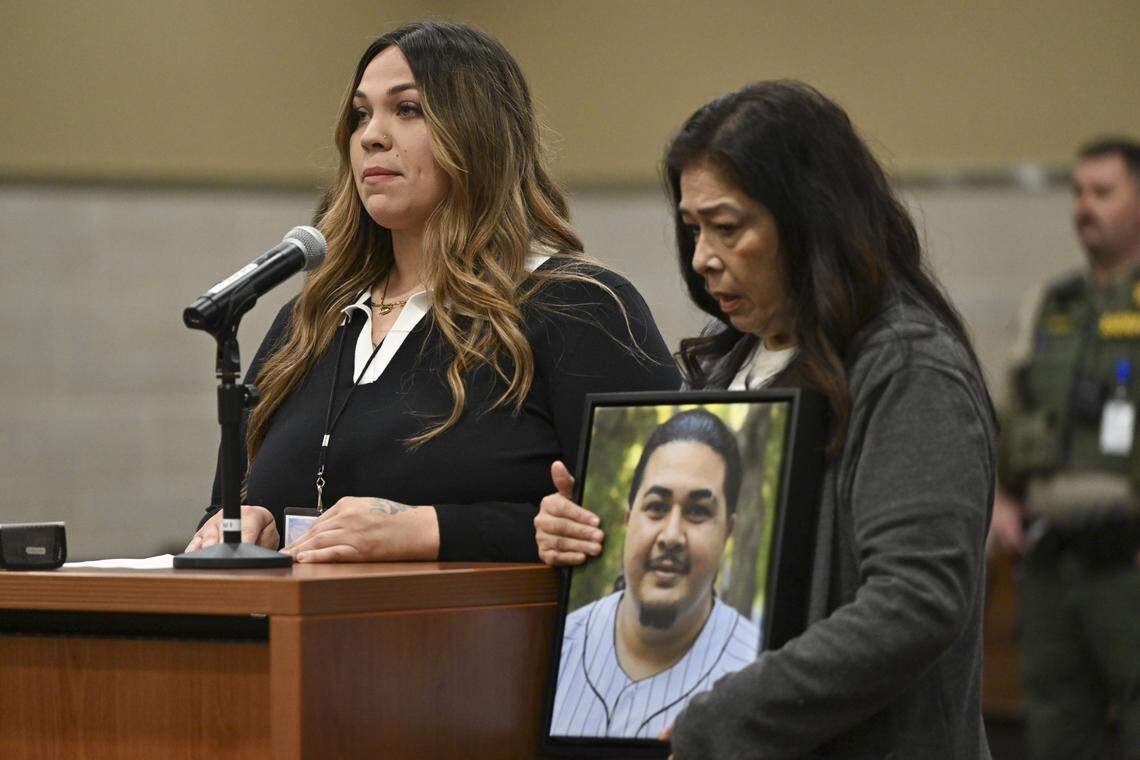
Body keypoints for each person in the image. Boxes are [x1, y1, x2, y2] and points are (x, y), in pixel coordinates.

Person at [535, 80, 998, 758]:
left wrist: (729, 711)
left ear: (813, 220)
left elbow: (916, 601)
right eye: (693, 229)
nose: (701, 259)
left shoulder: (908, 368)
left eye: (728, 228)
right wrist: (583, 541)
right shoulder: (725, 366)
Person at [183, 21, 680, 563]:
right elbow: (224, 508)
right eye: (360, 114)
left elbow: (652, 516)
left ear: (477, 134)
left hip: (481, 642)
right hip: (295, 639)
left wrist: (433, 530)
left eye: (408, 109)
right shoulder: (309, 322)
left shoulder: (576, 305)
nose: (372, 135)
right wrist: (241, 525)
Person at [990, 138, 1140, 760]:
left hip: (1128, 558)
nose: (1084, 206)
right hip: (1049, 557)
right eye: (1078, 192)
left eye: (1103, 192)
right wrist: (1000, 497)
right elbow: (1009, 409)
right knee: (1052, 721)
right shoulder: (1050, 303)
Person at [550, 409, 760, 739]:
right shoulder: (560, 647)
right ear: (629, 517)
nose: (671, 536)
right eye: (657, 507)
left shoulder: (757, 668)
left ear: (727, 532)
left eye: (697, 512)